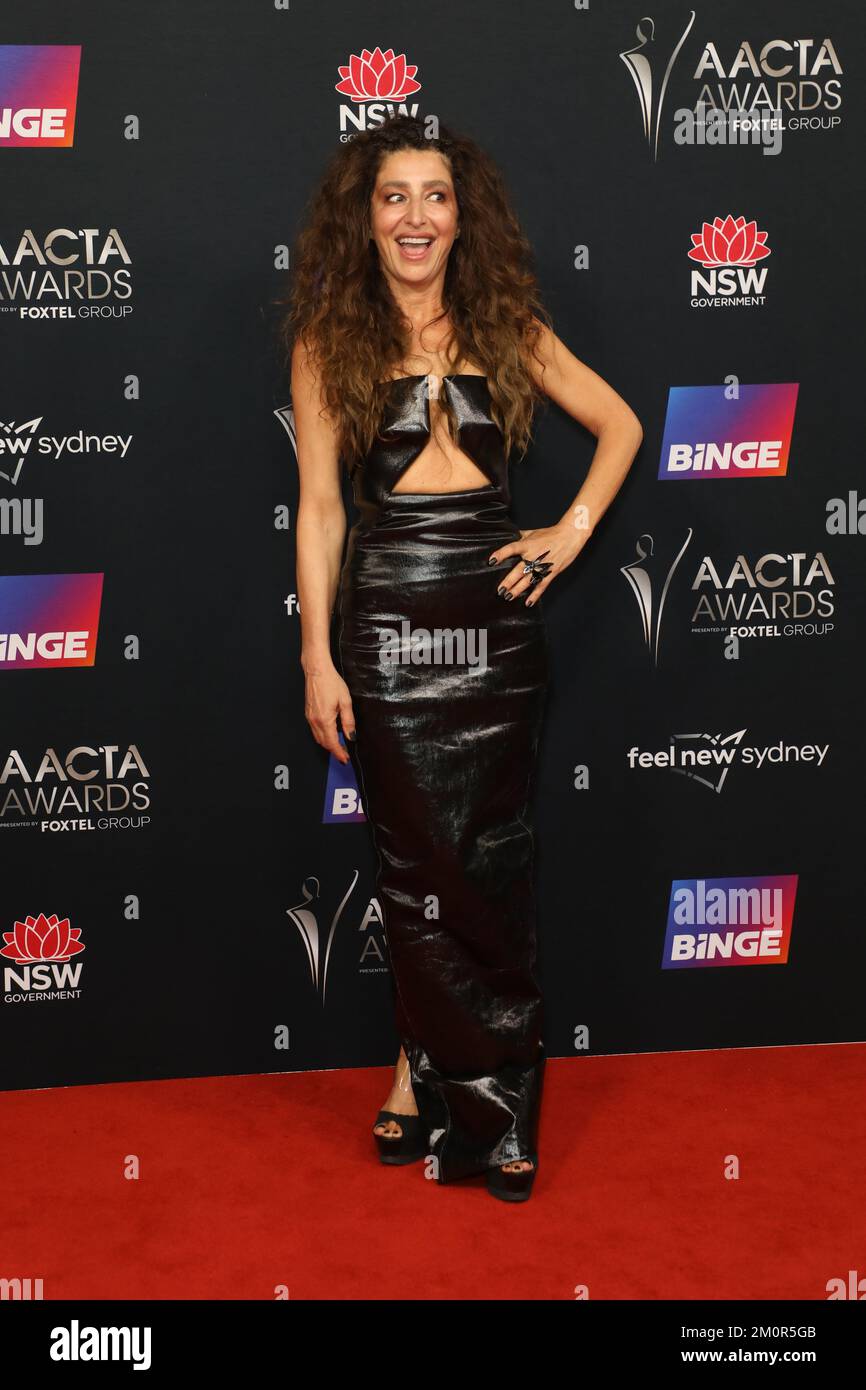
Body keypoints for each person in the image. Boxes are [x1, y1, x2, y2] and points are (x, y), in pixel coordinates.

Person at [281, 113, 642, 1202]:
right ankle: (417, 1066)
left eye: (434, 196)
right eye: (393, 196)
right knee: (411, 870)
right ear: (366, 215)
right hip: (388, 628)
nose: (414, 217)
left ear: (459, 214)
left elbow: (619, 425)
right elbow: (318, 514)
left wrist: (568, 532)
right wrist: (317, 657)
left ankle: (497, 1107)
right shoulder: (326, 339)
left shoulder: (504, 321)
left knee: (486, 868)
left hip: (493, 632)